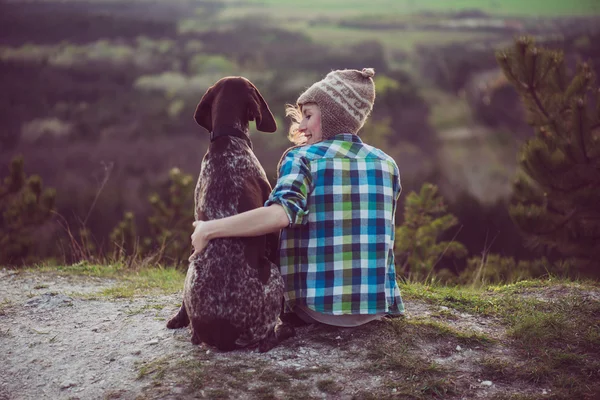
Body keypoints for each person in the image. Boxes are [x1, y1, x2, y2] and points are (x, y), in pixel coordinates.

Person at [190, 67, 405, 327]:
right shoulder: (387, 163)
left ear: (334, 116)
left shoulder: (302, 158)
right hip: (374, 307)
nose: (301, 126)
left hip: (317, 308)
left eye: (308, 115)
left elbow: (279, 215)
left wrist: (209, 229)